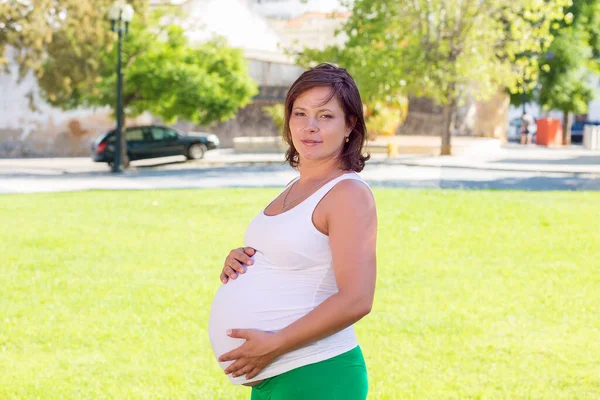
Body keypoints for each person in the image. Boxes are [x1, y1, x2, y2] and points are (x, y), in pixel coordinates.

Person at [207, 63, 378, 400]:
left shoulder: (348, 194)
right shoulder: (294, 186)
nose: (309, 126)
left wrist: (275, 343)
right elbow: (291, 256)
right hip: (277, 376)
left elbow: (358, 298)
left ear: (350, 125)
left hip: (316, 373)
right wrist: (239, 261)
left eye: (325, 116)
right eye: (300, 113)